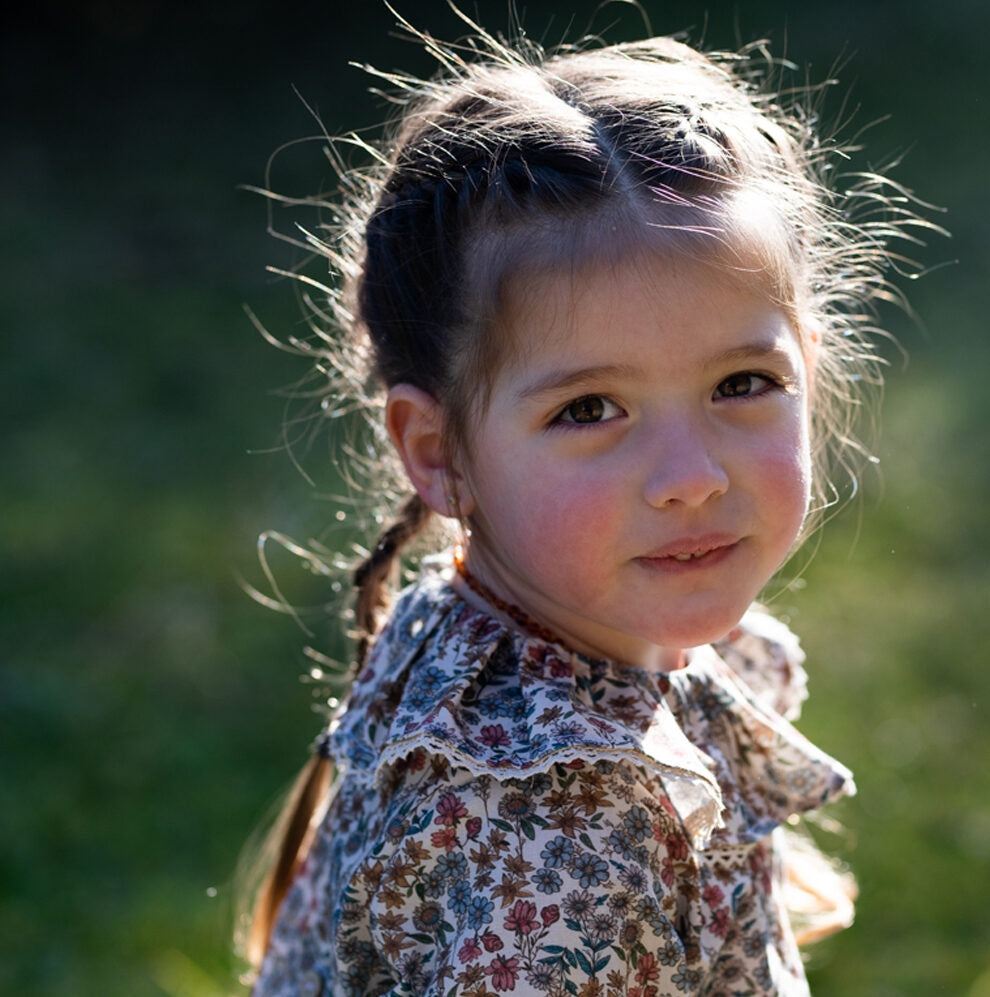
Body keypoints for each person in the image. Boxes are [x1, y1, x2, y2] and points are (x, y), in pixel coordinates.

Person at [241, 14, 928, 996]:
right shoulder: (565, 839)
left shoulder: (504, 643)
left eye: (742, 384)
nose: (691, 475)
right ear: (438, 452)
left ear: (807, 372)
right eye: (590, 408)